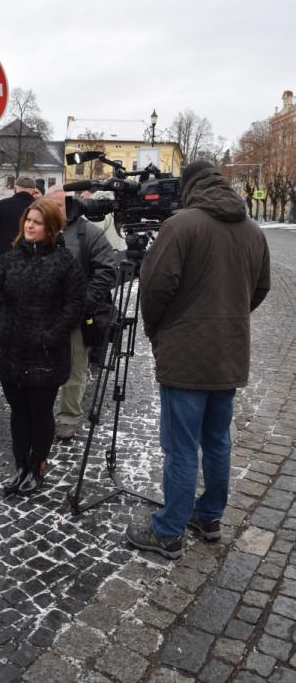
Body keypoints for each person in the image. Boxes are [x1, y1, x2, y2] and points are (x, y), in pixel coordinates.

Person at [126, 160, 271, 560]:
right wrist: (231, 318)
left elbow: (154, 290)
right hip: (228, 355)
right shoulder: (253, 230)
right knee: (218, 441)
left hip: (186, 357)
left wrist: (161, 331)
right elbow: (260, 288)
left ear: (189, 188)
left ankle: (169, 531)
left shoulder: (181, 225)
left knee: (182, 447)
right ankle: (208, 517)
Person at [0, 198, 86, 495]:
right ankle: (20, 465)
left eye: (37, 222)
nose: (30, 226)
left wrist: (51, 335)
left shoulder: (64, 262)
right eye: (28, 221)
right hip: (12, 351)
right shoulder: (12, 258)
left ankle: (37, 464)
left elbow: (75, 305)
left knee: (39, 413)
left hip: (45, 355)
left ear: (51, 227)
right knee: (18, 412)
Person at [46, 187, 117, 440]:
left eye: (56, 204)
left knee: (75, 368)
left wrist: (84, 301)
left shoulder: (91, 233)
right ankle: (42, 412)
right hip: (43, 315)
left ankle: (68, 417)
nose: (51, 208)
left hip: (76, 316)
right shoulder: (39, 229)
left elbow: (106, 270)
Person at [0, 177, 36, 376]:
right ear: (33, 190)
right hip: (31, 272)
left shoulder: (2, 206)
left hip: (2, 272)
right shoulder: (38, 208)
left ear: (16, 188)